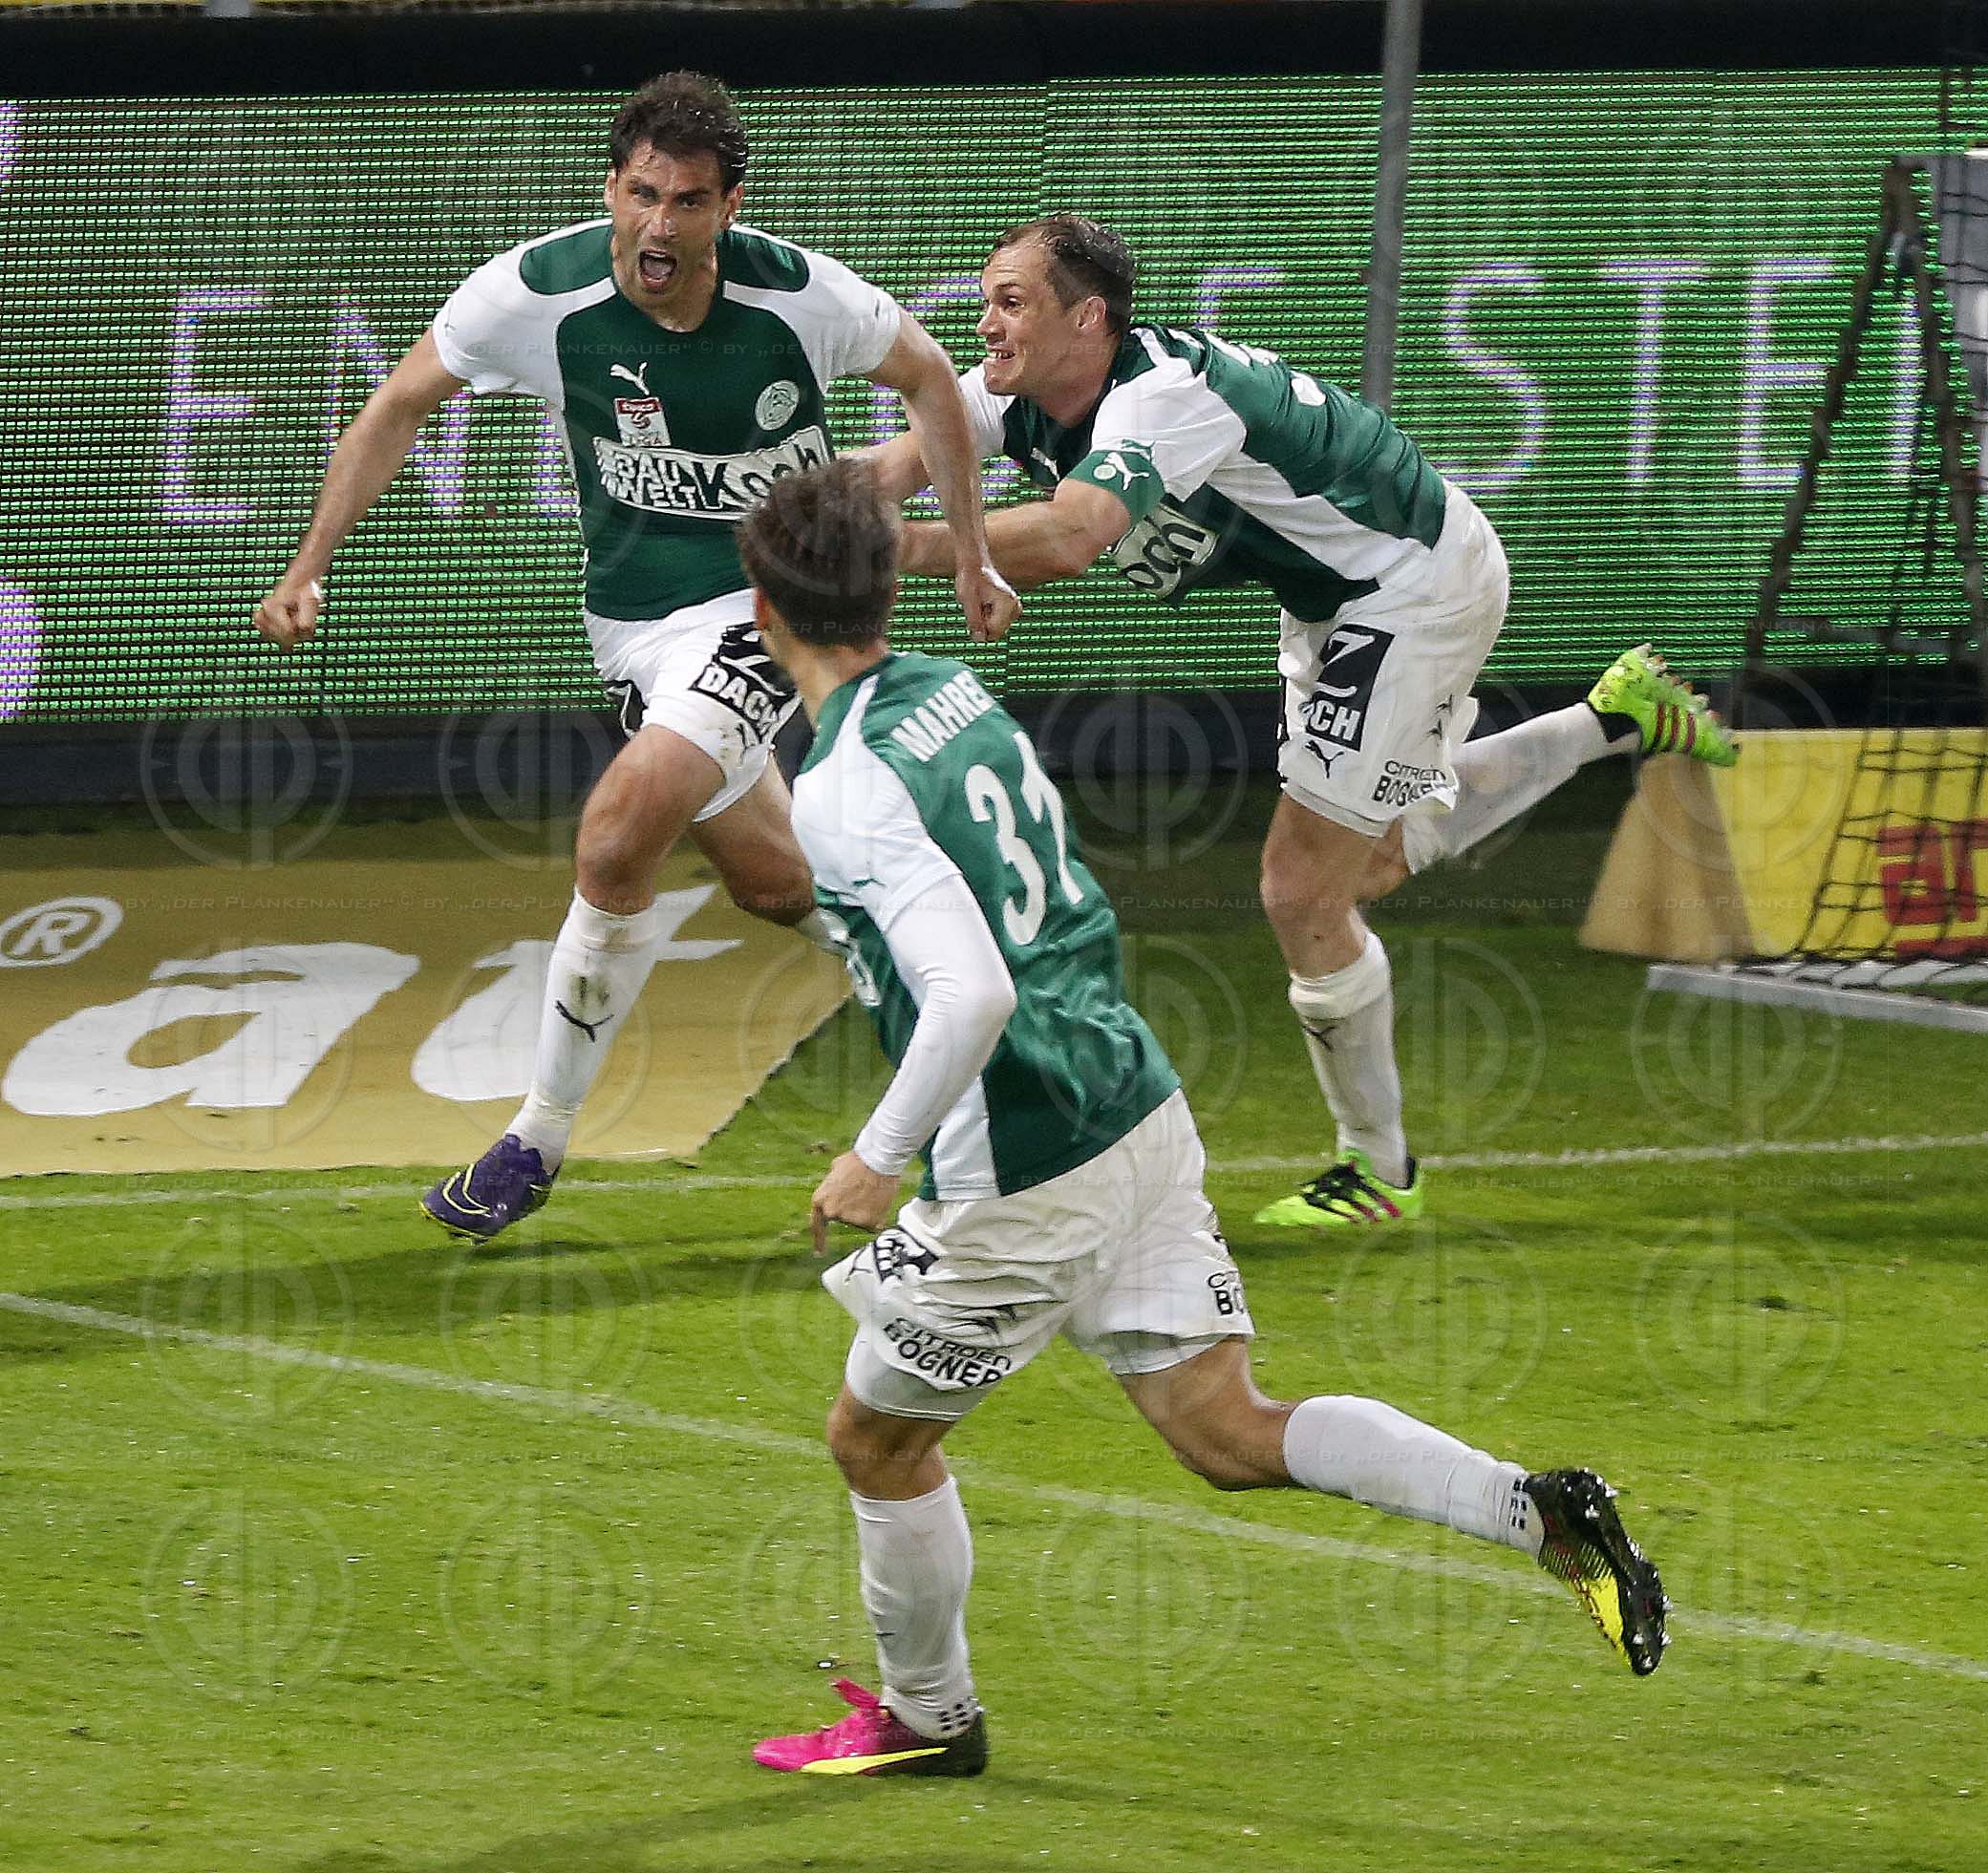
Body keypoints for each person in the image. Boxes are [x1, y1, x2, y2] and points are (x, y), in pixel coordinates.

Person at [735, 458, 1666, 1779]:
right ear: (890, 587)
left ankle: (928, 1717)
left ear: (764, 611)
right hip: (1134, 1104)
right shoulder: (951, 696)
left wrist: (876, 1155)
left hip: (1023, 1168)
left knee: (873, 1442)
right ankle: (1534, 1509)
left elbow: (971, 989)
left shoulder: (842, 784)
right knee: (1227, 1430)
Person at [251, 73, 1017, 1242]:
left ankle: (535, 1135)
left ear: (728, 207)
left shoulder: (799, 295)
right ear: (611, 186)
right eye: (642, 194)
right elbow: (397, 405)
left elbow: (928, 383)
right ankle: (980, 999)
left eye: (688, 201)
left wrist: (968, 554)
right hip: (630, 627)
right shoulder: (531, 292)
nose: (659, 223)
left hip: (767, 602)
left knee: (618, 834)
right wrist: (308, 566)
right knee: (776, 886)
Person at [866, 216, 1736, 1231]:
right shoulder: (1018, 389)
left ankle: (1380, 1169)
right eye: (985, 301)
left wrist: (891, 552)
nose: (986, 323)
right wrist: (770, 517)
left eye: (1010, 302)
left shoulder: (1158, 396)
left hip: (1410, 584)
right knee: (1363, 860)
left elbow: (1069, 535)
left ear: (1088, 318)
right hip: (1335, 598)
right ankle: (1611, 717)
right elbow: (884, 471)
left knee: (1302, 887)